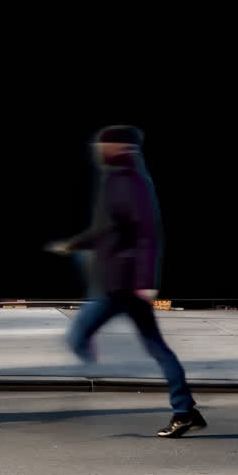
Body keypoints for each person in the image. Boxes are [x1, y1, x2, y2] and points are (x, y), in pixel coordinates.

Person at [46, 126, 206, 438]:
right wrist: (74, 244)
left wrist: (146, 282)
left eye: (102, 146)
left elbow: (148, 234)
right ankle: (185, 411)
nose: (97, 151)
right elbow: (105, 231)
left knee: (78, 336)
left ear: (118, 148)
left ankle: (97, 373)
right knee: (157, 348)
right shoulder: (116, 181)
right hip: (119, 284)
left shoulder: (132, 184)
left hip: (120, 286)